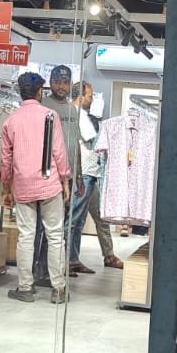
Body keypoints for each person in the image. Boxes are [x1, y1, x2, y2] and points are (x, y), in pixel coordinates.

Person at [0, 71, 71, 304]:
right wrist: (65, 179)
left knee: (26, 236)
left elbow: (6, 160)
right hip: (49, 182)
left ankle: (25, 287)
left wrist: (6, 188)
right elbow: (59, 151)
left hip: (23, 184)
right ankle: (58, 289)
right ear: (40, 92)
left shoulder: (10, 120)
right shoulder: (50, 115)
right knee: (55, 235)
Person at [67, 80, 123, 273]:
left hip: (91, 172)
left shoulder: (82, 115)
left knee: (95, 216)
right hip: (84, 173)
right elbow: (93, 141)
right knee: (76, 218)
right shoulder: (77, 115)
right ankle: (69, 260)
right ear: (81, 95)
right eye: (90, 96)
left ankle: (104, 255)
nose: (92, 100)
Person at [33, 65, 80, 287]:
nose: (61, 86)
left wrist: (77, 174)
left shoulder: (73, 110)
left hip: (67, 177)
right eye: (57, 82)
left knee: (58, 228)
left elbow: (75, 143)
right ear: (50, 83)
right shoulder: (43, 106)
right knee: (41, 227)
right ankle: (36, 271)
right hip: (47, 176)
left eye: (65, 82)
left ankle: (48, 272)